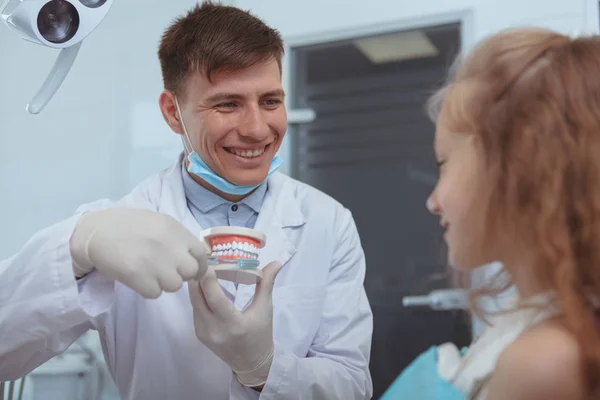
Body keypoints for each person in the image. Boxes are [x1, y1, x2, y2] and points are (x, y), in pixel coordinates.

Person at [0, 2, 373, 399]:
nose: (257, 128)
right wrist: (76, 247)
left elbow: (351, 384)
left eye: (270, 101)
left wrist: (264, 368)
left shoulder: (328, 221)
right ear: (172, 113)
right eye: (228, 103)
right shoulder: (119, 229)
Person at [382, 27, 600, 399]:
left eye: (444, 163)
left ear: (517, 169)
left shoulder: (543, 361)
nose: (432, 201)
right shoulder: (529, 327)